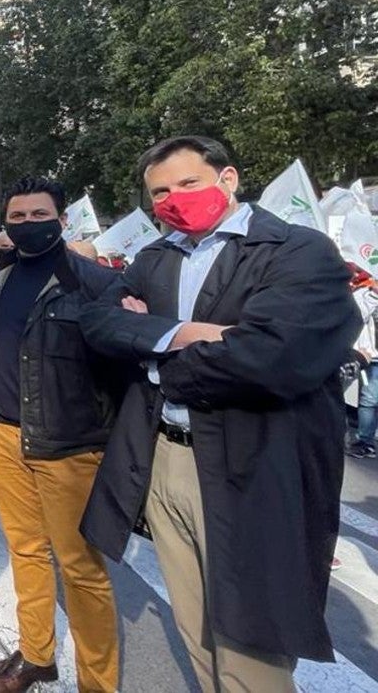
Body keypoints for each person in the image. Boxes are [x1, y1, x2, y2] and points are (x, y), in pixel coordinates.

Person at [79, 136, 360, 693]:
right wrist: (186, 334)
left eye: (188, 184)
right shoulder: (156, 257)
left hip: (250, 464)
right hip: (164, 459)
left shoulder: (298, 251)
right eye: (161, 192)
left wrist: (156, 360)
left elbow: (274, 358)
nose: (174, 199)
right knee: (196, 627)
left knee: (250, 646)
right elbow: (100, 323)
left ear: (227, 178)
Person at [0, 176, 122, 693]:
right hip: (0, 432)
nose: (27, 225)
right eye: (17, 218)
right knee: (26, 551)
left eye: (39, 216)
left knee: (82, 569)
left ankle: (97, 683)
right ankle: (37, 654)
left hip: (68, 447)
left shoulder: (95, 284)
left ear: (62, 221)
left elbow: (118, 369)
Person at [348, 266, 378, 458]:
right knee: (368, 398)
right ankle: (363, 441)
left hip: (371, 355)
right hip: (364, 355)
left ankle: (364, 441)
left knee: (370, 399)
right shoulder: (361, 293)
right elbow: (359, 317)